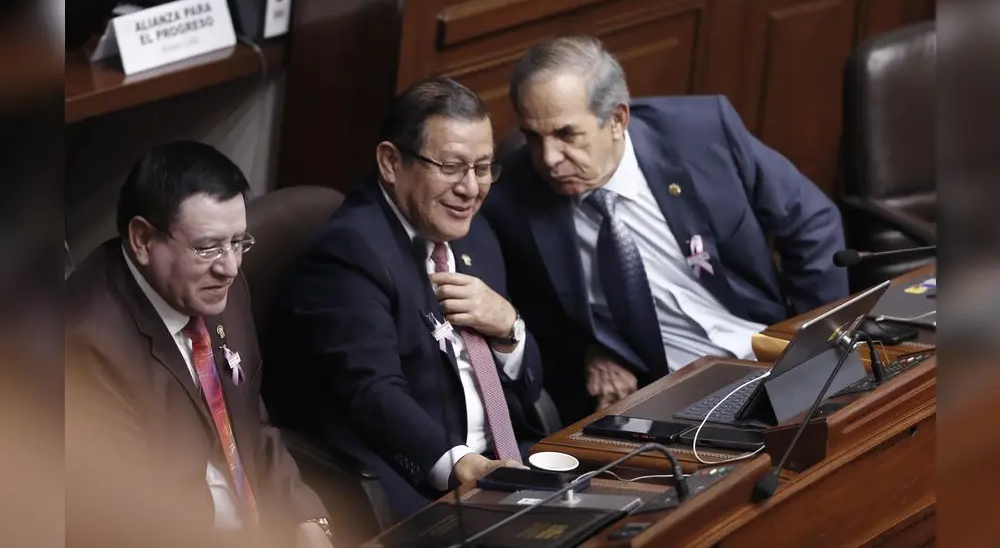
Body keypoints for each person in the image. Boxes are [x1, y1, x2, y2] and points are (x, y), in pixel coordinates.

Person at [482, 36, 849, 423]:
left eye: (566, 135)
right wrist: (592, 351)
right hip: (678, 393)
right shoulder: (513, 200)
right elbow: (532, 314)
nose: (549, 159)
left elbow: (812, 223)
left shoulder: (701, 134)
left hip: (772, 346)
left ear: (617, 120)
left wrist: (812, 346)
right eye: (533, 137)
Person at [265, 78, 543, 519]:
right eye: (451, 167)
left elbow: (528, 390)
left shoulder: (478, 234)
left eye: (483, 167)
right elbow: (372, 394)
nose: (470, 189)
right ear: (391, 162)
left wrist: (511, 329)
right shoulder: (349, 253)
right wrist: (465, 466)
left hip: (512, 464)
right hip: (425, 490)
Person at [65, 141, 334, 548]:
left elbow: (251, 422)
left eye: (239, 242)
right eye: (207, 247)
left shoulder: (217, 286)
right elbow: (126, 519)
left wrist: (307, 518)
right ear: (141, 239)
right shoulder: (85, 344)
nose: (229, 267)